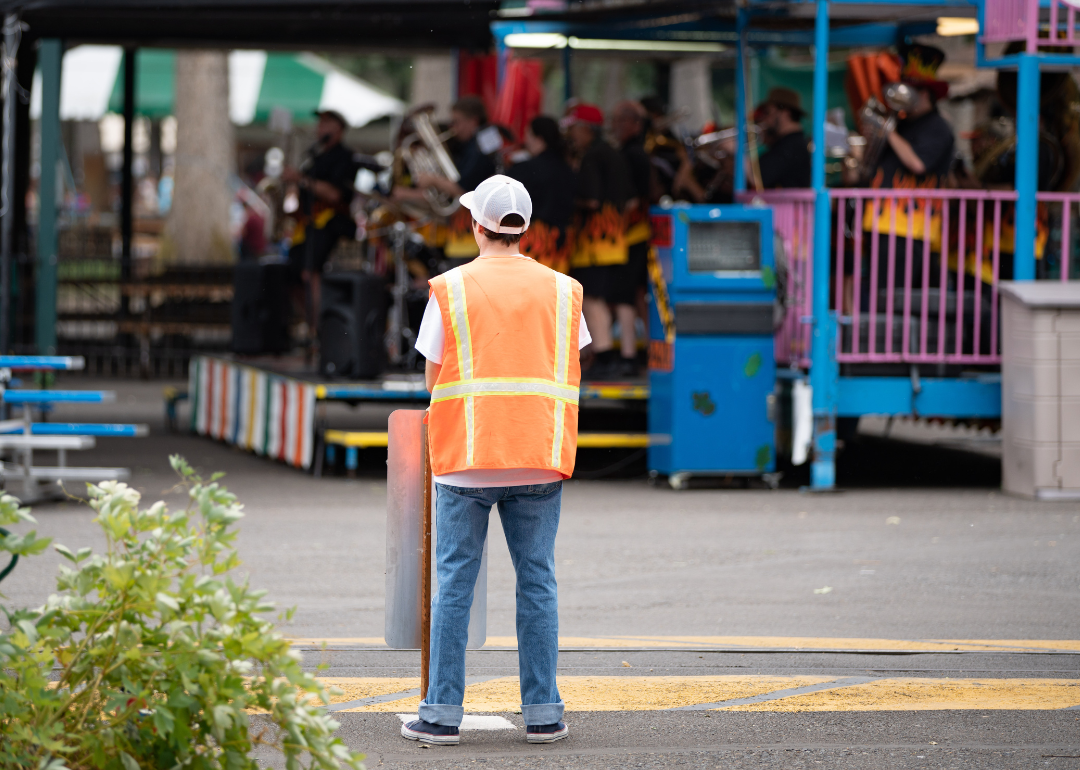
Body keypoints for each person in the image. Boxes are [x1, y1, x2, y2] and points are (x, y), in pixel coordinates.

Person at [404, 174, 591, 747]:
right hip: (538, 455)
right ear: (525, 229)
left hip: (467, 458)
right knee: (538, 582)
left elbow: (433, 375)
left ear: (475, 225)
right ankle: (543, 715)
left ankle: (440, 716)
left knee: (454, 583)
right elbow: (572, 355)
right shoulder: (563, 290)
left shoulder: (451, 288)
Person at [564, 102, 635, 379]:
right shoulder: (615, 154)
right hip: (616, 242)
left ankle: (604, 357)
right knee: (608, 300)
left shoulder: (593, 156)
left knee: (592, 300)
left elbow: (592, 200)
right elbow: (630, 200)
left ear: (585, 129)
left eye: (574, 129)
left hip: (595, 245)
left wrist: (570, 200)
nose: (572, 136)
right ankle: (610, 356)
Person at [284, 109, 357, 331]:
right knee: (290, 275)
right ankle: (310, 324)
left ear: (339, 129)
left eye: (326, 123)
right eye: (320, 123)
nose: (320, 128)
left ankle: (318, 330)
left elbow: (335, 194)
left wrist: (301, 180)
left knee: (310, 273)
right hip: (308, 224)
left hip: (331, 223)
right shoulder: (314, 157)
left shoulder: (345, 157)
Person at [399, 96, 498, 260]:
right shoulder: (468, 146)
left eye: (457, 122)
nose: (453, 127)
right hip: (462, 236)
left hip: (473, 239)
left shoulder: (480, 146)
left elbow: (462, 188)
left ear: (473, 121)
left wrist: (432, 180)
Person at [611, 100, 654, 373]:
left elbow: (639, 195)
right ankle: (650, 349)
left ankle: (636, 353)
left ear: (635, 124)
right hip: (637, 233)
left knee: (629, 293)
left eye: (620, 120)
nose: (615, 126)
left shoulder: (634, 154)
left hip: (635, 232)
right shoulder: (634, 151)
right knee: (638, 294)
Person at [507, 115, 576, 273]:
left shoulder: (524, 169)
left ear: (538, 138)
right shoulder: (568, 169)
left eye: (528, 135)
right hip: (562, 244)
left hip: (532, 242)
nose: (525, 140)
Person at [756, 88, 812, 189]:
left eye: (767, 112)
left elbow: (759, 176)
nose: (764, 119)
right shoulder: (790, 143)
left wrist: (735, 151)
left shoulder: (790, 145)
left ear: (785, 113)